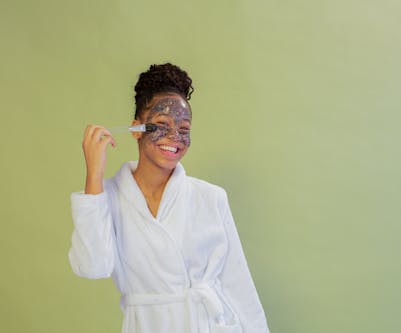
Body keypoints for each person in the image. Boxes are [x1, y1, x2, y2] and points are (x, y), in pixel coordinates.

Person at [69, 62, 270, 333]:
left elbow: (239, 286)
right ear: (136, 129)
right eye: (162, 124)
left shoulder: (210, 197)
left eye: (184, 128)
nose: (174, 137)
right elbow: (93, 267)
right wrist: (94, 173)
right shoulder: (107, 198)